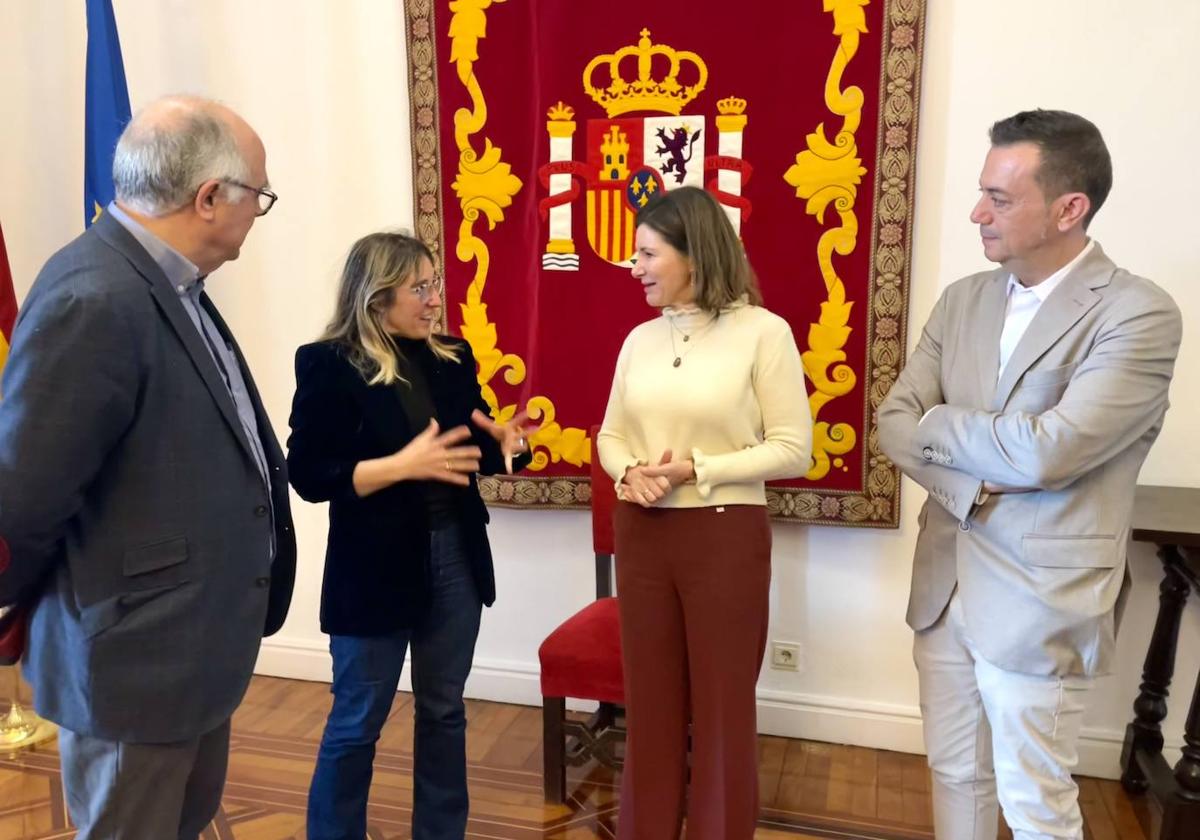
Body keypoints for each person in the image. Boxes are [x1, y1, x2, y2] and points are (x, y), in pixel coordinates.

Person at [878, 109, 1182, 840]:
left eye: (1001, 198)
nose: (977, 213)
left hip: (1042, 601)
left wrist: (941, 426)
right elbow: (893, 422)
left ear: (1069, 208)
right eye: (983, 193)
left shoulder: (1138, 313)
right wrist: (977, 478)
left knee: (1035, 803)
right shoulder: (962, 300)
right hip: (944, 590)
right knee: (957, 780)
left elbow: (1052, 451)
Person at [0, 95, 294, 838]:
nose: (260, 211)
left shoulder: (168, 284)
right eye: (258, 193)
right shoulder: (95, 295)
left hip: (188, 651)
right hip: (132, 666)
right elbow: (23, 495)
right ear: (209, 198)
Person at [287, 231, 531, 840]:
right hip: (372, 569)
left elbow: (469, 446)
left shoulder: (451, 356)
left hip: (454, 556)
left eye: (434, 284)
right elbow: (309, 474)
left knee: (444, 711)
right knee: (357, 720)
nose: (434, 300)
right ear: (376, 298)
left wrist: (507, 447)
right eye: (419, 287)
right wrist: (400, 466)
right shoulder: (328, 364)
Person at [597, 186, 813, 839]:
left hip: (724, 539)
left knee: (722, 711)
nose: (634, 266)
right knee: (652, 709)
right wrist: (628, 473)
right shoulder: (638, 339)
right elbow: (609, 435)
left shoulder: (763, 333)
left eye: (647, 253)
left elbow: (794, 449)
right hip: (642, 536)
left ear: (695, 254)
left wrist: (699, 469)